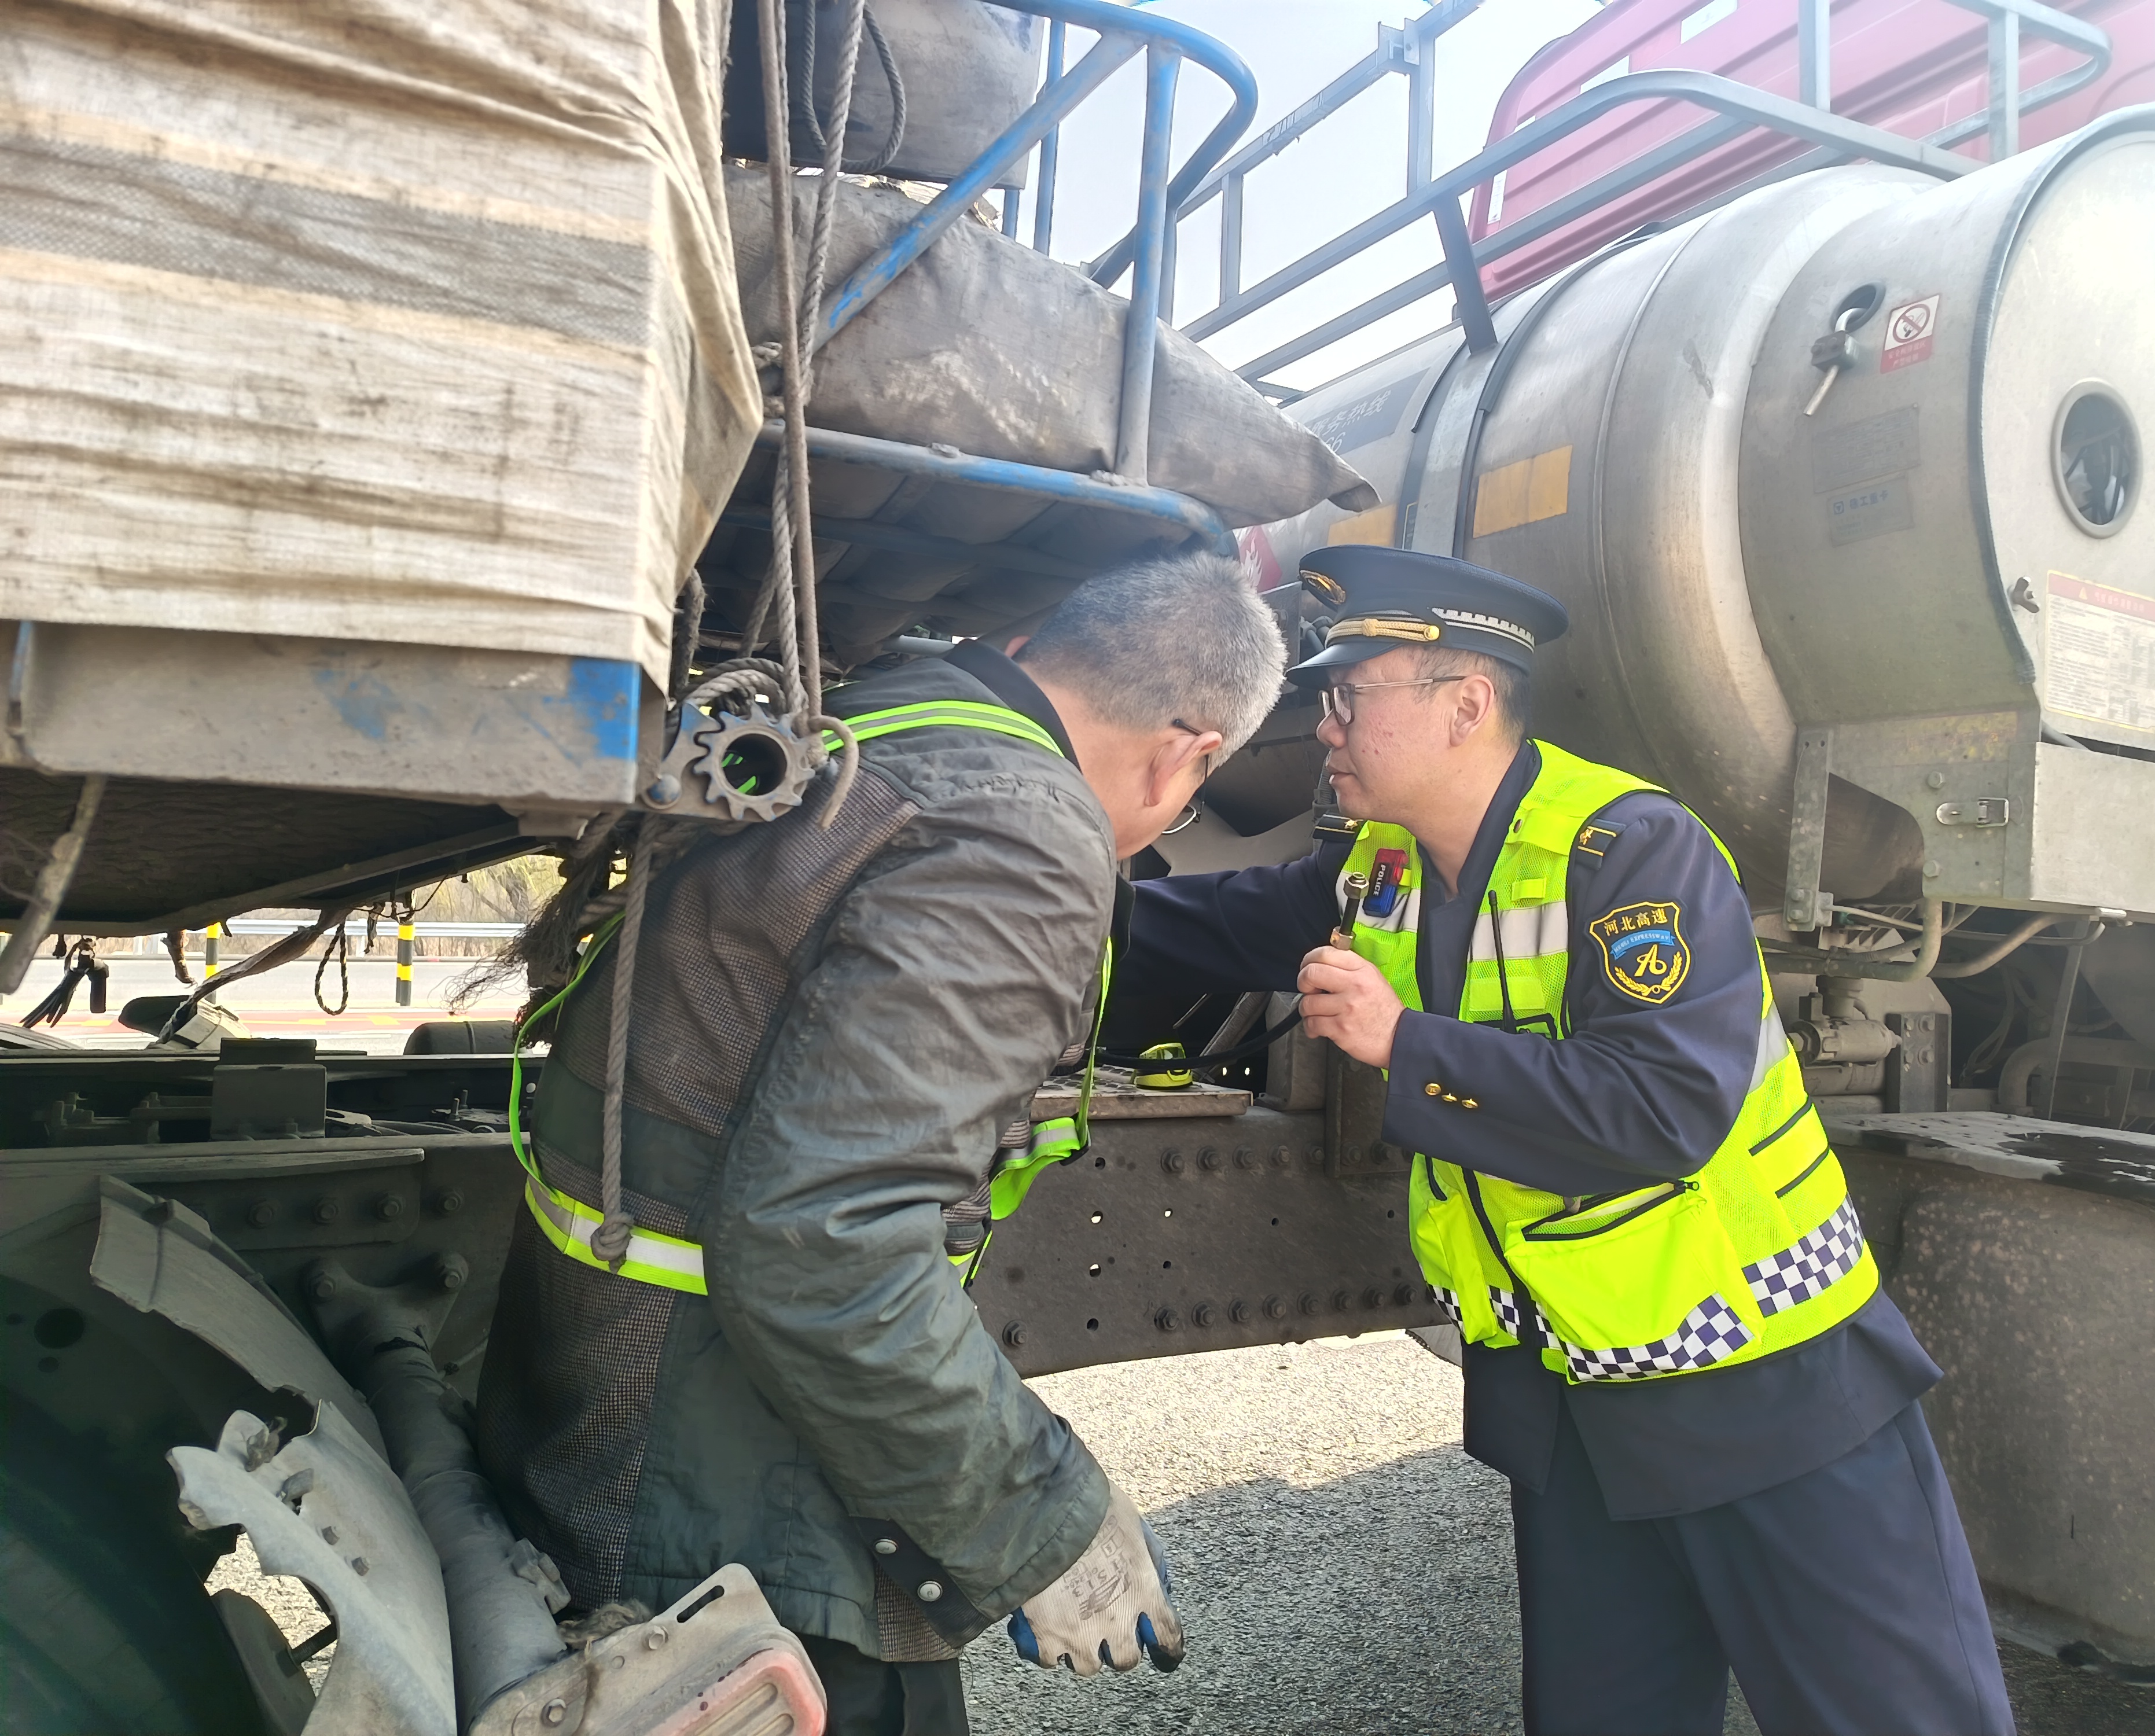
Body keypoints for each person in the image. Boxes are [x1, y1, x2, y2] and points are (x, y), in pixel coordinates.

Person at [1120, 544, 2014, 1736]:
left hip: (1762, 1385)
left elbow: (1663, 1113)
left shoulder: (1628, 851)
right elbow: (1220, 920)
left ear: (1465, 705)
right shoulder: (1382, 866)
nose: (1322, 728)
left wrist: (1405, 1044)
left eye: (1349, 697)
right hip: (1572, 1401)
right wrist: (1054, 894)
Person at [477, 551, 1288, 1735]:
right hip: (733, 1501)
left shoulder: (888, 723)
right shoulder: (1017, 827)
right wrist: (1045, 1522)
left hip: (605, 1408)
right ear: (1185, 756)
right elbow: (828, 1243)